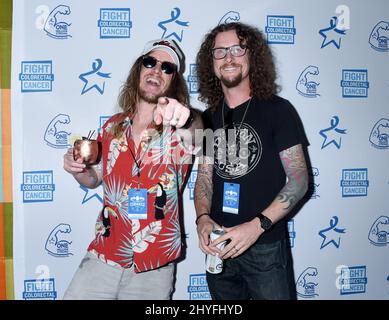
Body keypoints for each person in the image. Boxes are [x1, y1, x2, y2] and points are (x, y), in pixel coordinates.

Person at [63, 38, 202, 300]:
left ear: (173, 81)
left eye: (167, 68)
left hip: (155, 264)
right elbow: (95, 180)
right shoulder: (111, 127)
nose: (156, 70)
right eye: (150, 62)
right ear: (138, 69)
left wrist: (187, 116)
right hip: (105, 253)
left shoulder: (179, 128)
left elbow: (196, 136)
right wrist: (77, 170)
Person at [194, 22, 309, 300]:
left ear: (251, 55)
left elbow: (299, 180)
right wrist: (202, 218)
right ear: (211, 63)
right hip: (219, 246)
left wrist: (256, 226)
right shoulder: (207, 118)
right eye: (219, 52)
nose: (229, 57)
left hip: (265, 247)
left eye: (237, 49)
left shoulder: (278, 110)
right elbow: (205, 177)